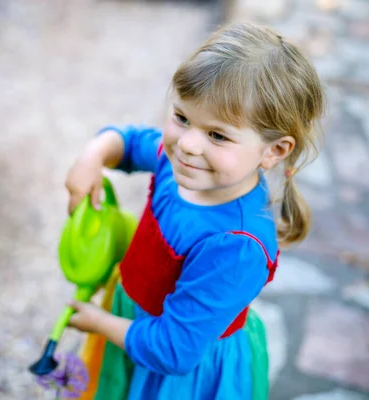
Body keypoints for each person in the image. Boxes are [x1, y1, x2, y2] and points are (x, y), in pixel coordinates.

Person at [63, 21, 325, 400]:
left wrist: (102, 324)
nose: (186, 144)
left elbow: (174, 350)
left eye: (217, 135)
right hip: (135, 325)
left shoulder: (236, 246)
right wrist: (93, 155)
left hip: (179, 378)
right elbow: (133, 141)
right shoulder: (182, 167)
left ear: (274, 151)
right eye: (182, 117)